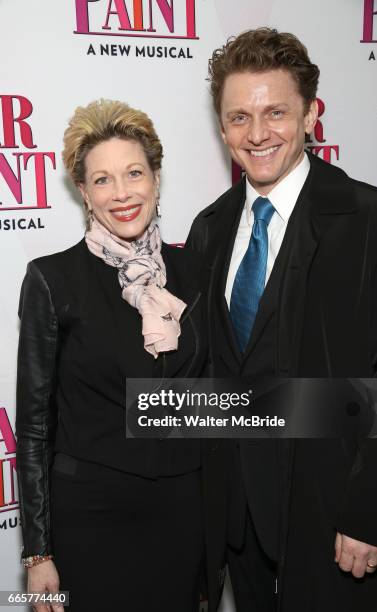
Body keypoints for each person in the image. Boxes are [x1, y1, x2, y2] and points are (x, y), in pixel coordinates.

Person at [186, 27, 377, 612]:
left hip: (332, 520)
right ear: (222, 128)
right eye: (239, 116)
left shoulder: (366, 220)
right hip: (236, 524)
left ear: (312, 115)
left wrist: (368, 507)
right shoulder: (209, 229)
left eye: (276, 112)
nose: (258, 133)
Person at [16, 99, 207, 612]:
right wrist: (37, 554)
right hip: (92, 515)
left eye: (134, 173)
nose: (121, 193)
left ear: (156, 178)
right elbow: (34, 425)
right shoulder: (53, 279)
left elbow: (212, 400)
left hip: (183, 512)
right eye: (102, 180)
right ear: (83, 192)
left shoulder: (194, 273)